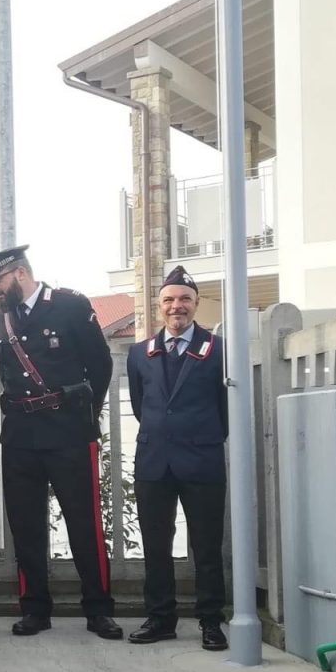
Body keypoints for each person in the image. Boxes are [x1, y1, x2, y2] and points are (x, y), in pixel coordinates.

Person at [0, 244, 121, 639]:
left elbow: (101, 364)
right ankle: (35, 609)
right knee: (26, 528)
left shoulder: (70, 305)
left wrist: (83, 413)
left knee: (84, 524)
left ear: (20, 274)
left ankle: (98, 610)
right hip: (21, 434)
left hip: (69, 433)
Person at [126, 266, 229, 651]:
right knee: (155, 546)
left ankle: (210, 622)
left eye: (184, 298)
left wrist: (201, 438)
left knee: (206, 546)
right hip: (154, 461)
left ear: (196, 304)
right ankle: (161, 618)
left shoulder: (218, 350)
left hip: (201, 461)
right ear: (159, 307)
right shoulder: (140, 353)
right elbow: (142, 405)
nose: (177, 306)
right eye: (169, 299)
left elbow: (225, 409)